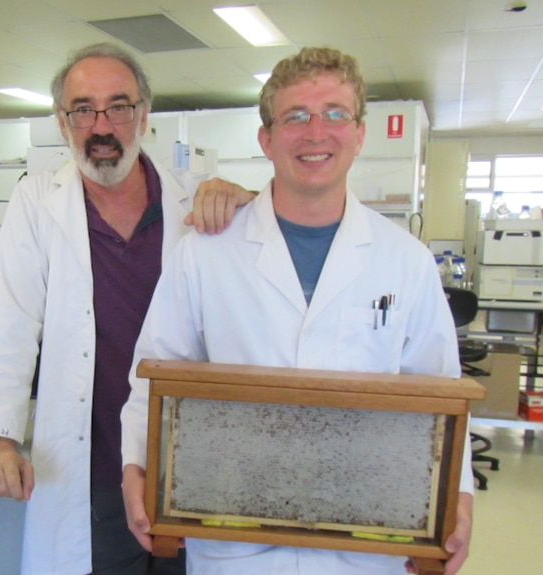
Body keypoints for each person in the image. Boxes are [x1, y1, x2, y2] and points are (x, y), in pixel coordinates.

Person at [121, 46, 474, 575]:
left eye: (335, 114)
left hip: (366, 543)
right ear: (266, 139)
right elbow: (153, 376)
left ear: (360, 133)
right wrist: (136, 469)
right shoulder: (205, 252)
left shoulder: (407, 262)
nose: (316, 133)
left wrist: (458, 499)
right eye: (295, 117)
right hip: (232, 538)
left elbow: (442, 395)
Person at [0, 42, 253, 575]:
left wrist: (248, 202)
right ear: (62, 120)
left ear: (143, 115)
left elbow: (262, 282)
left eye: (118, 107)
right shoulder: (36, 203)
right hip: (90, 466)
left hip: (184, 466)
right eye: (83, 109)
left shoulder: (192, 203)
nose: (101, 125)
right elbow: (10, 328)